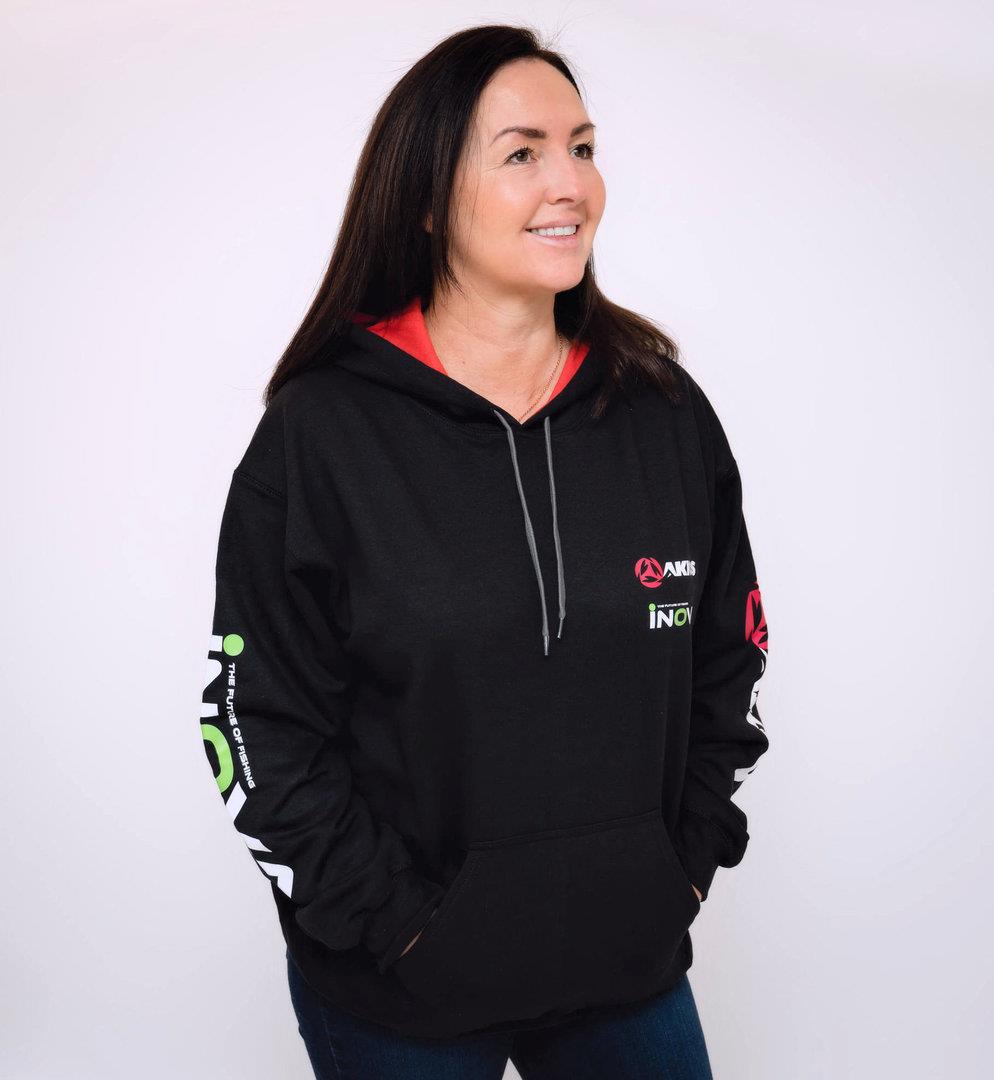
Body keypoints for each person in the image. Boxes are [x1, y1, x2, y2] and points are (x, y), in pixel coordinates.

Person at [199, 22, 770, 1080]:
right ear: (426, 199)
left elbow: (729, 663)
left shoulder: (663, 414)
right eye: (522, 153)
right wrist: (395, 926)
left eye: (583, 147)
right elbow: (256, 722)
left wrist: (678, 873)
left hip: (626, 964)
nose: (570, 184)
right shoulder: (323, 434)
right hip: (401, 992)